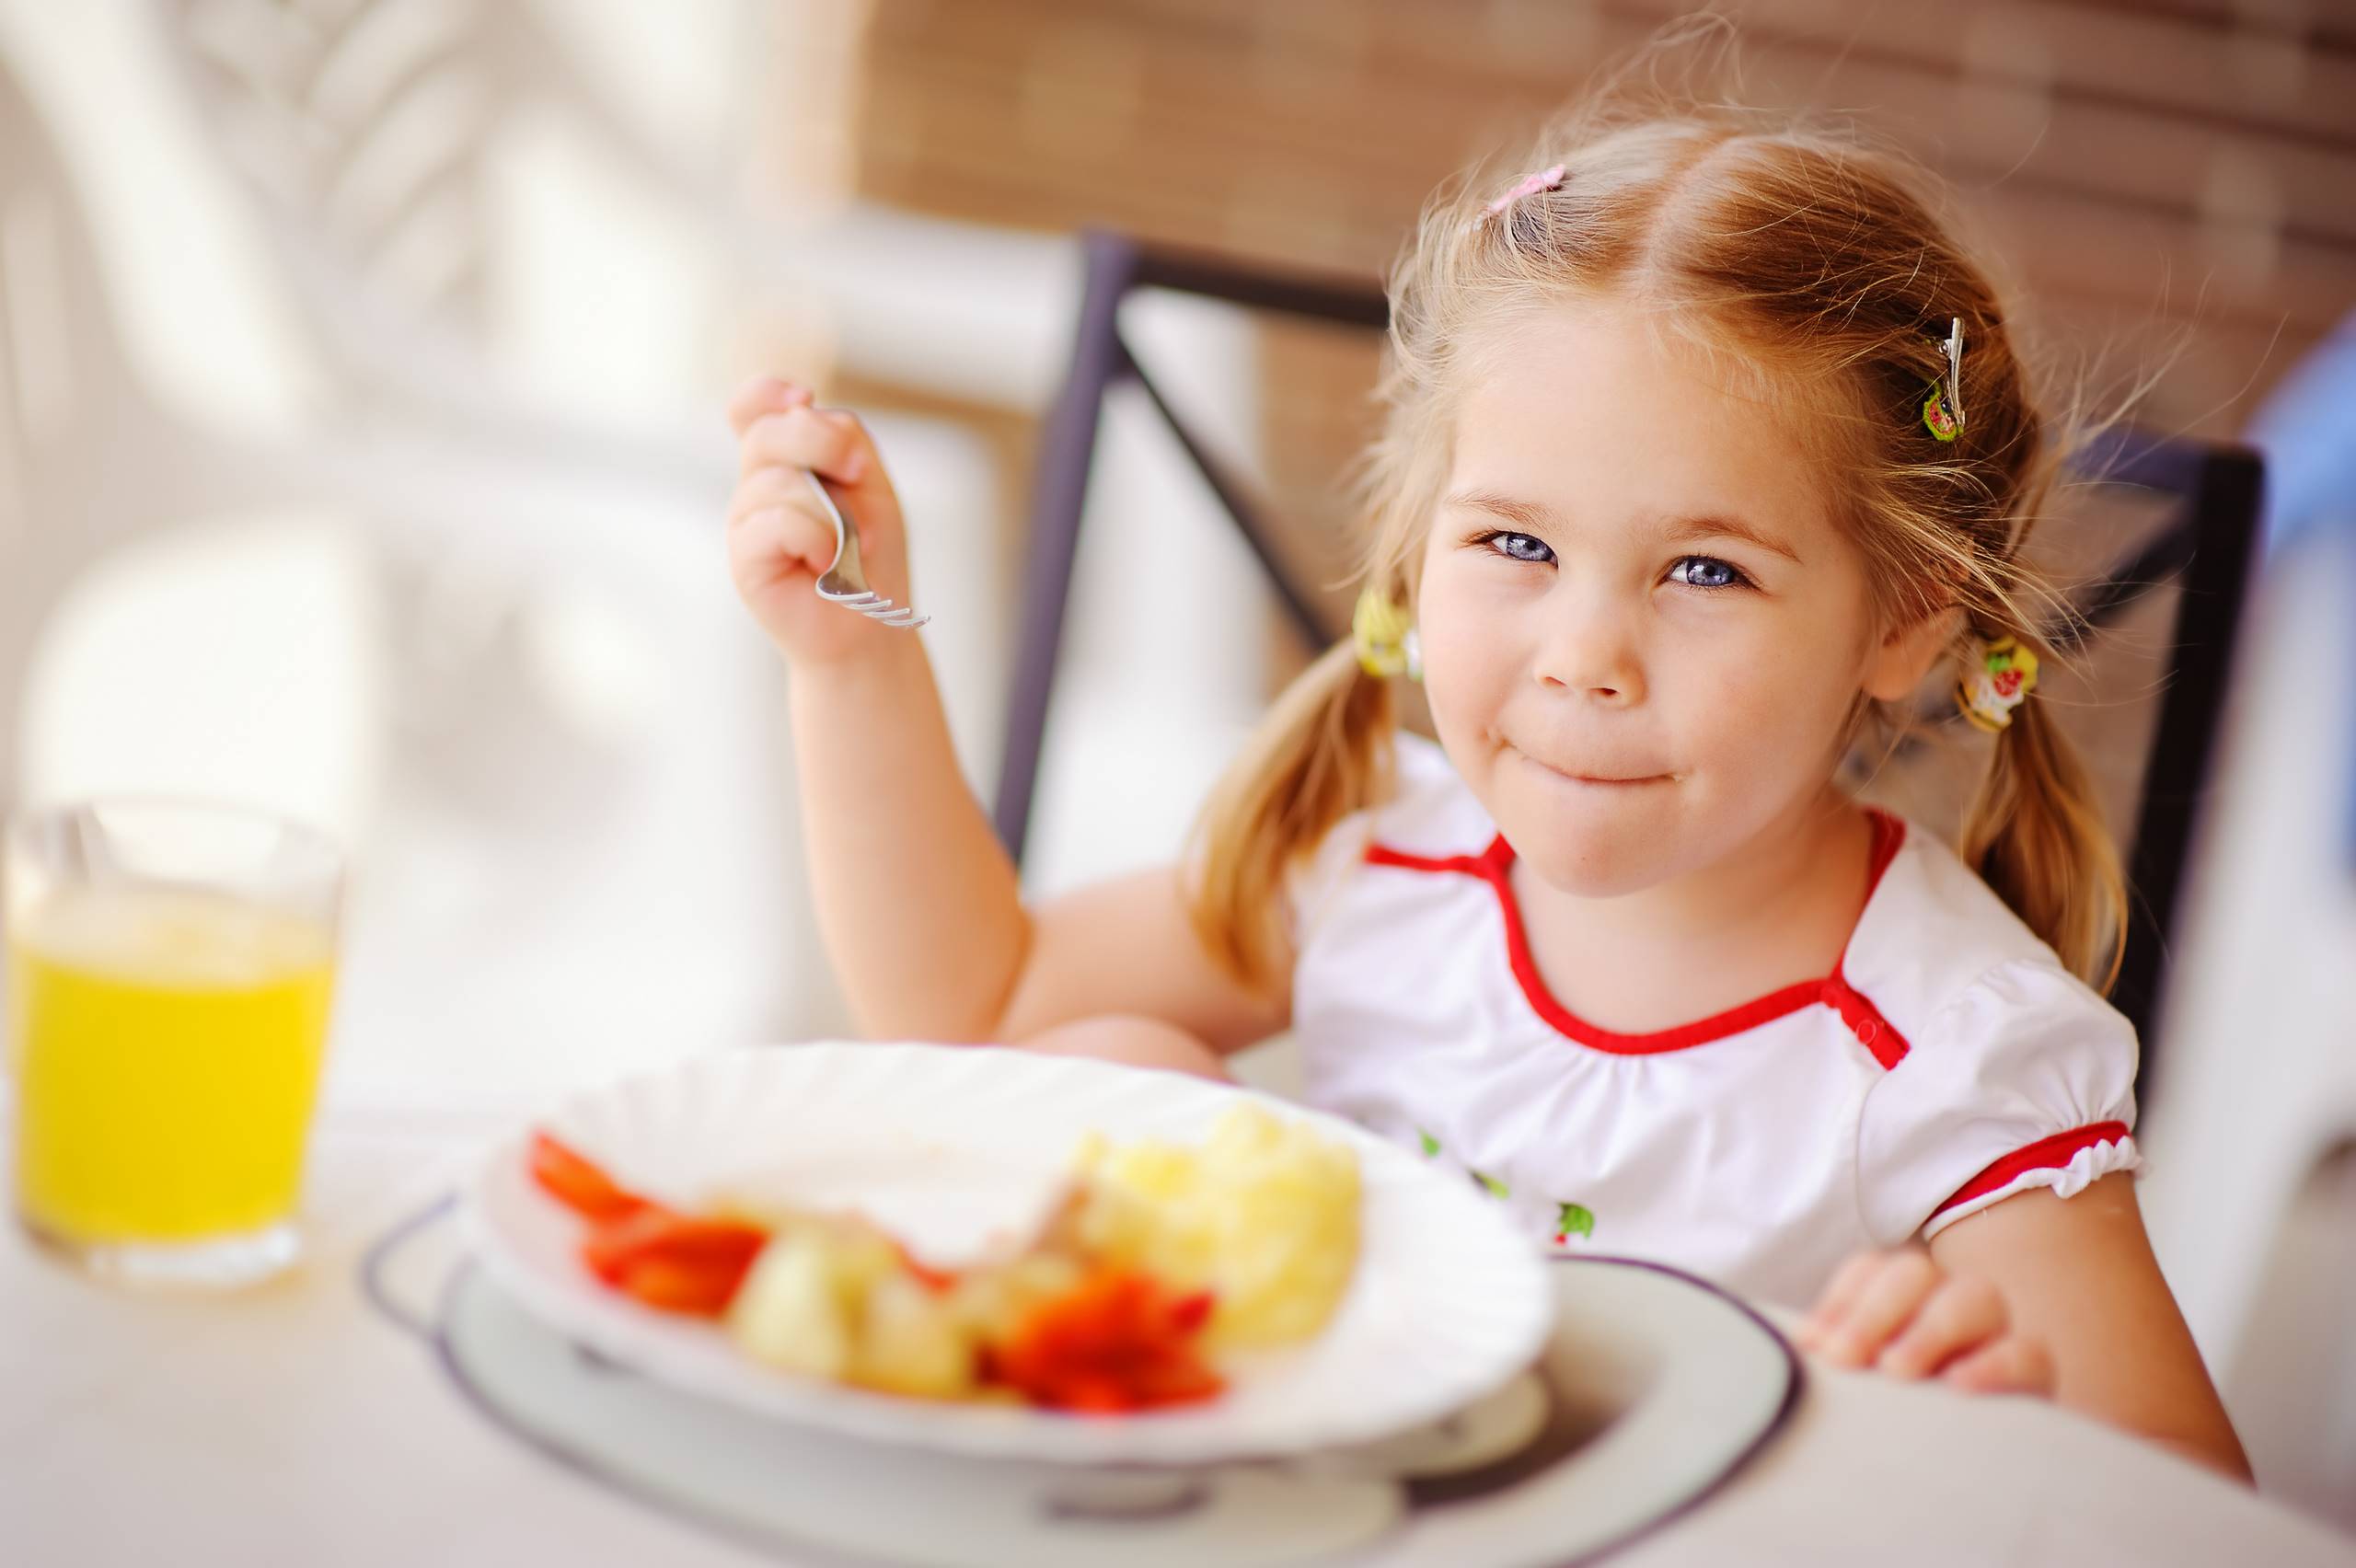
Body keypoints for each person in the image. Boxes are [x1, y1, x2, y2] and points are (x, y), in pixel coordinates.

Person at [722, 99, 2248, 1478]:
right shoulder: (1382, 868)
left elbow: (2195, 1514)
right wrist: (850, 657)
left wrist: (1940, 1444)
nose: (1586, 655)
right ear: (1417, 546)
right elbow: (977, 1011)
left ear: (1906, 619)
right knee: (1116, 1056)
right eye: (1517, 545)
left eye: (1705, 570)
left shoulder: (1941, 1058)